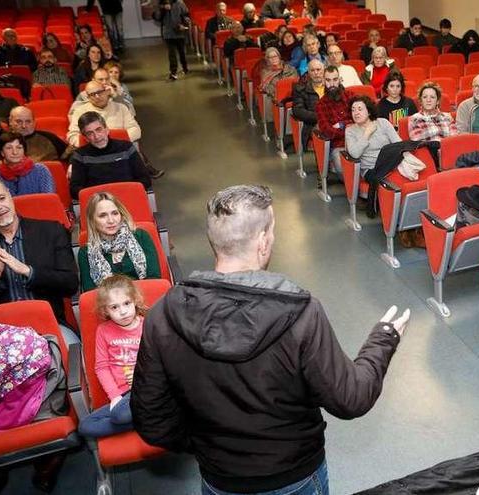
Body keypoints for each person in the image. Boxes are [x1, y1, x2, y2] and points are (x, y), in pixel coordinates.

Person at [131, 184, 410, 495]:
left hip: (219, 478)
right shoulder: (301, 313)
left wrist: (204, 444)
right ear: (263, 242)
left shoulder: (162, 315)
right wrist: (384, 338)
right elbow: (351, 398)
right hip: (295, 477)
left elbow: (150, 418)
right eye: (273, 232)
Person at [0, 176, 79, 332]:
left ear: (9, 195)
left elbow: (71, 284)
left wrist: (29, 271)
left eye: (1, 198)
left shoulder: (50, 231)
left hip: (50, 327)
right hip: (1, 333)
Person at [77, 274, 147, 438]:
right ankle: (155, 419)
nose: (123, 311)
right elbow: (102, 368)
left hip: (147, 389)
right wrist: (114, 397)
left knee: (119, 416)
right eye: (114, 307)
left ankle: (147, 416)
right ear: (105, 310)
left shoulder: (148, 324)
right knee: (85, 426)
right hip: (123, 397)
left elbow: (160, 361)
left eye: (127, 303)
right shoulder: (103, 330)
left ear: (135, 300)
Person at [78, 192, 160, 291]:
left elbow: (154, 279)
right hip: (108, 304)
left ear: (121, 215)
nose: (111, 220)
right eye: (103, 215)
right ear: (92, 221)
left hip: (146, 298)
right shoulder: (85, 252)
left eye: (115, 213)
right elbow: (91, 293)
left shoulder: (141, 236)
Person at [69, 111, 151, 199]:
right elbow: (75, 190)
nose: (97, 136)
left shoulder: (126, 147)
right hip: (98, 204)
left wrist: (127, 192)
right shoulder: (80, 156)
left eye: (98, 129)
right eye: (90, 133)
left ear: (107, 130)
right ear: (86, 138)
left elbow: (145, 179)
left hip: (128, 198)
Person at [67, 80, 141, 147]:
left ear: (107, 92)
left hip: (120, 148)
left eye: (99, 92)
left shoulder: (121, 108)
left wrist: (114, 142)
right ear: (88, 98)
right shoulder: (80, 111)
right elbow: (72, 136)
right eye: (92, 94)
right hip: (92, 151)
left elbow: (135, 130)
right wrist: (95, 143)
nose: (97, 97)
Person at [345, 95, 401, 173]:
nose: (356, 113)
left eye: (360, 109)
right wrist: (367, 134)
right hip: (371, 169)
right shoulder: (350, 131)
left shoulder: (383, 122)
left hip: (392, 163)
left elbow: (399, 144)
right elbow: (355, 154)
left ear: (369, 112)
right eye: (353, 110)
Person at [315, 65, 351, 175]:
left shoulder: (350, 96)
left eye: (335, 80)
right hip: (338, 146)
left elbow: (361, 120)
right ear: (323, 81)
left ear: (340, 80)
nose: (332, 84)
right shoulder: (320, 104)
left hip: (358, 141)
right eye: (328, 80)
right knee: (344, 169)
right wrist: (351, 126)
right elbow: (328, 131)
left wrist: (341, 124)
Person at [0, 132, 55, 197]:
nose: (15, 152)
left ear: (24, 151)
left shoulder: (41, 171)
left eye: (19, 148)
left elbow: (49, 199)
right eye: (9, 148)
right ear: (2, 153)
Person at [70, 67, 135, 116]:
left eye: (107, 79)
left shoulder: (117, 93)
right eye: (100, 79)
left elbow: (130, 112)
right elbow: (72, 113)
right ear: (93, 80)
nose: (104, 82)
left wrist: (116, 97)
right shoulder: (84, 95)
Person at [290, 58, 324, 147]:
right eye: (312, 70)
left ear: (323, 70)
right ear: (308, 72)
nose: (316, 73)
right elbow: (298, 110)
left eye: (318, 69)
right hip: (312, 124)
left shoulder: (332, 85)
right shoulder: (300, 89)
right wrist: (320, 117)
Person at [155, 0, 191, 81]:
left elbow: (187, 15)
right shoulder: (161, 3)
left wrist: (184, 24)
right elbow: (157, 17)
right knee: (172, 53)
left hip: (179, 32)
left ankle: (185, 68)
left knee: (182, 52)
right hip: (168, 33)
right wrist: (163, 9)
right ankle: (173, 72)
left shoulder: (180, 3)